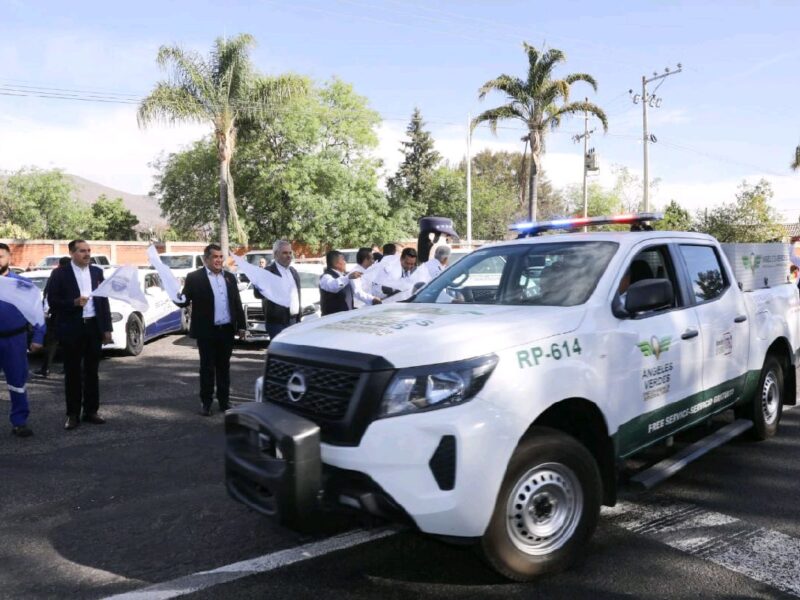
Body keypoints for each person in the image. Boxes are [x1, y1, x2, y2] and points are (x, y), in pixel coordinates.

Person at [46, 240, 113, 430]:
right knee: (73, 373)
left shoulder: (97, 272)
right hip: (71, 328)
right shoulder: (60, 273)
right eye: (82, 251)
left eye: (89, 251)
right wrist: (73, 303)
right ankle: (73, 414)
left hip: (93, 326)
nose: (87, 254)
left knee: (92, 372)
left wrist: (106, 328)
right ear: (72, 253)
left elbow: (103, 301)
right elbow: (52, 301)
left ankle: (91, 411)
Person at [177, 244, 245, 416]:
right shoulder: (194, 278)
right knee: (207, 368)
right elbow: (184, 301)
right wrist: (175, 295)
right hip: (207, 331)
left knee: (224, 367)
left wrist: (242, 326)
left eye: (221, 257)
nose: (219, 260)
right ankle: (206, 402)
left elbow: (236, 302)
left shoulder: (229, 277)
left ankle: (224, 401)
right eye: (215, 257)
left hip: (226, 330)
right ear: (206, 259)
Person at [0, 243, 44, 437]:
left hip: (14, 339)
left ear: (10, 258)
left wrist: (38, 337)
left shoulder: (22, 285)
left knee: (17, 382)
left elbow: (37, 312)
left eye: (0, 256)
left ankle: (19, 421)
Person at [254, 240, 302, 339]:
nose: (289, 256)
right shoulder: (268, 272)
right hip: (277, 324)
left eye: (290, 253)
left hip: (294, 321)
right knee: (282, 352)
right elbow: (257, 294)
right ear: (276, 254)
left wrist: (298, 318)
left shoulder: (293, 271)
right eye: (285, 253)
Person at [36, 256, 71, 378]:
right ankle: (68, 368)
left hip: (55, 315)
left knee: (52, 343)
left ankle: (46, 369)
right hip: (67, 315)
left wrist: (46, 311)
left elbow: (48, 295)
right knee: (68, 344)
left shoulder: (56, 275)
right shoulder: (71, 277)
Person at [319, 250, 380, 316]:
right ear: (336, 264)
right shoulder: (326, 277)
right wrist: (348, 277)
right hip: (331, 319)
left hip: (345, 317)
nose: (345, 262)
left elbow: (357, 291)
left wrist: (372, 299)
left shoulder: (344, 276)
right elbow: (333, 286)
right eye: (343, 260)